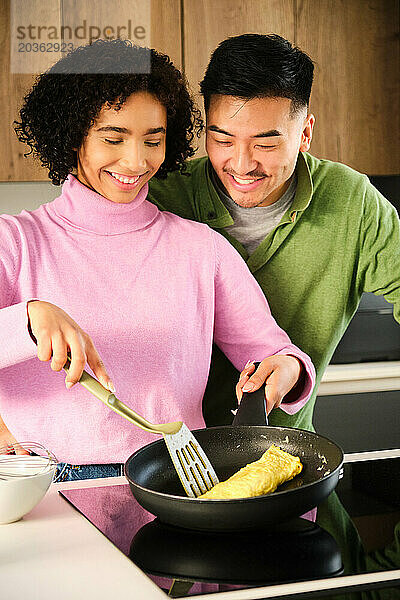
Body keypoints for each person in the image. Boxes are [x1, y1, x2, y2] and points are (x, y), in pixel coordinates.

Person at [0, 39, 315, 481]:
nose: (136, 159)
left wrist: (285, 369)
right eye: (113, 138)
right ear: (72, 137)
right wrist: (27, 320)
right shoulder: (13, 242)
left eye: (153, 140)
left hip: (175, 480)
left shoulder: (201, 249)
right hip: (40, 485)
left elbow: (274, 353)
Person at [147, 33, 400, 429]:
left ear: (305, 134)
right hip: (166, 467)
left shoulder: (354, 202)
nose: (241, 163)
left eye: (265, 144)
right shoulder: (160, 197)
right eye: (222, 139)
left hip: (288, 462)